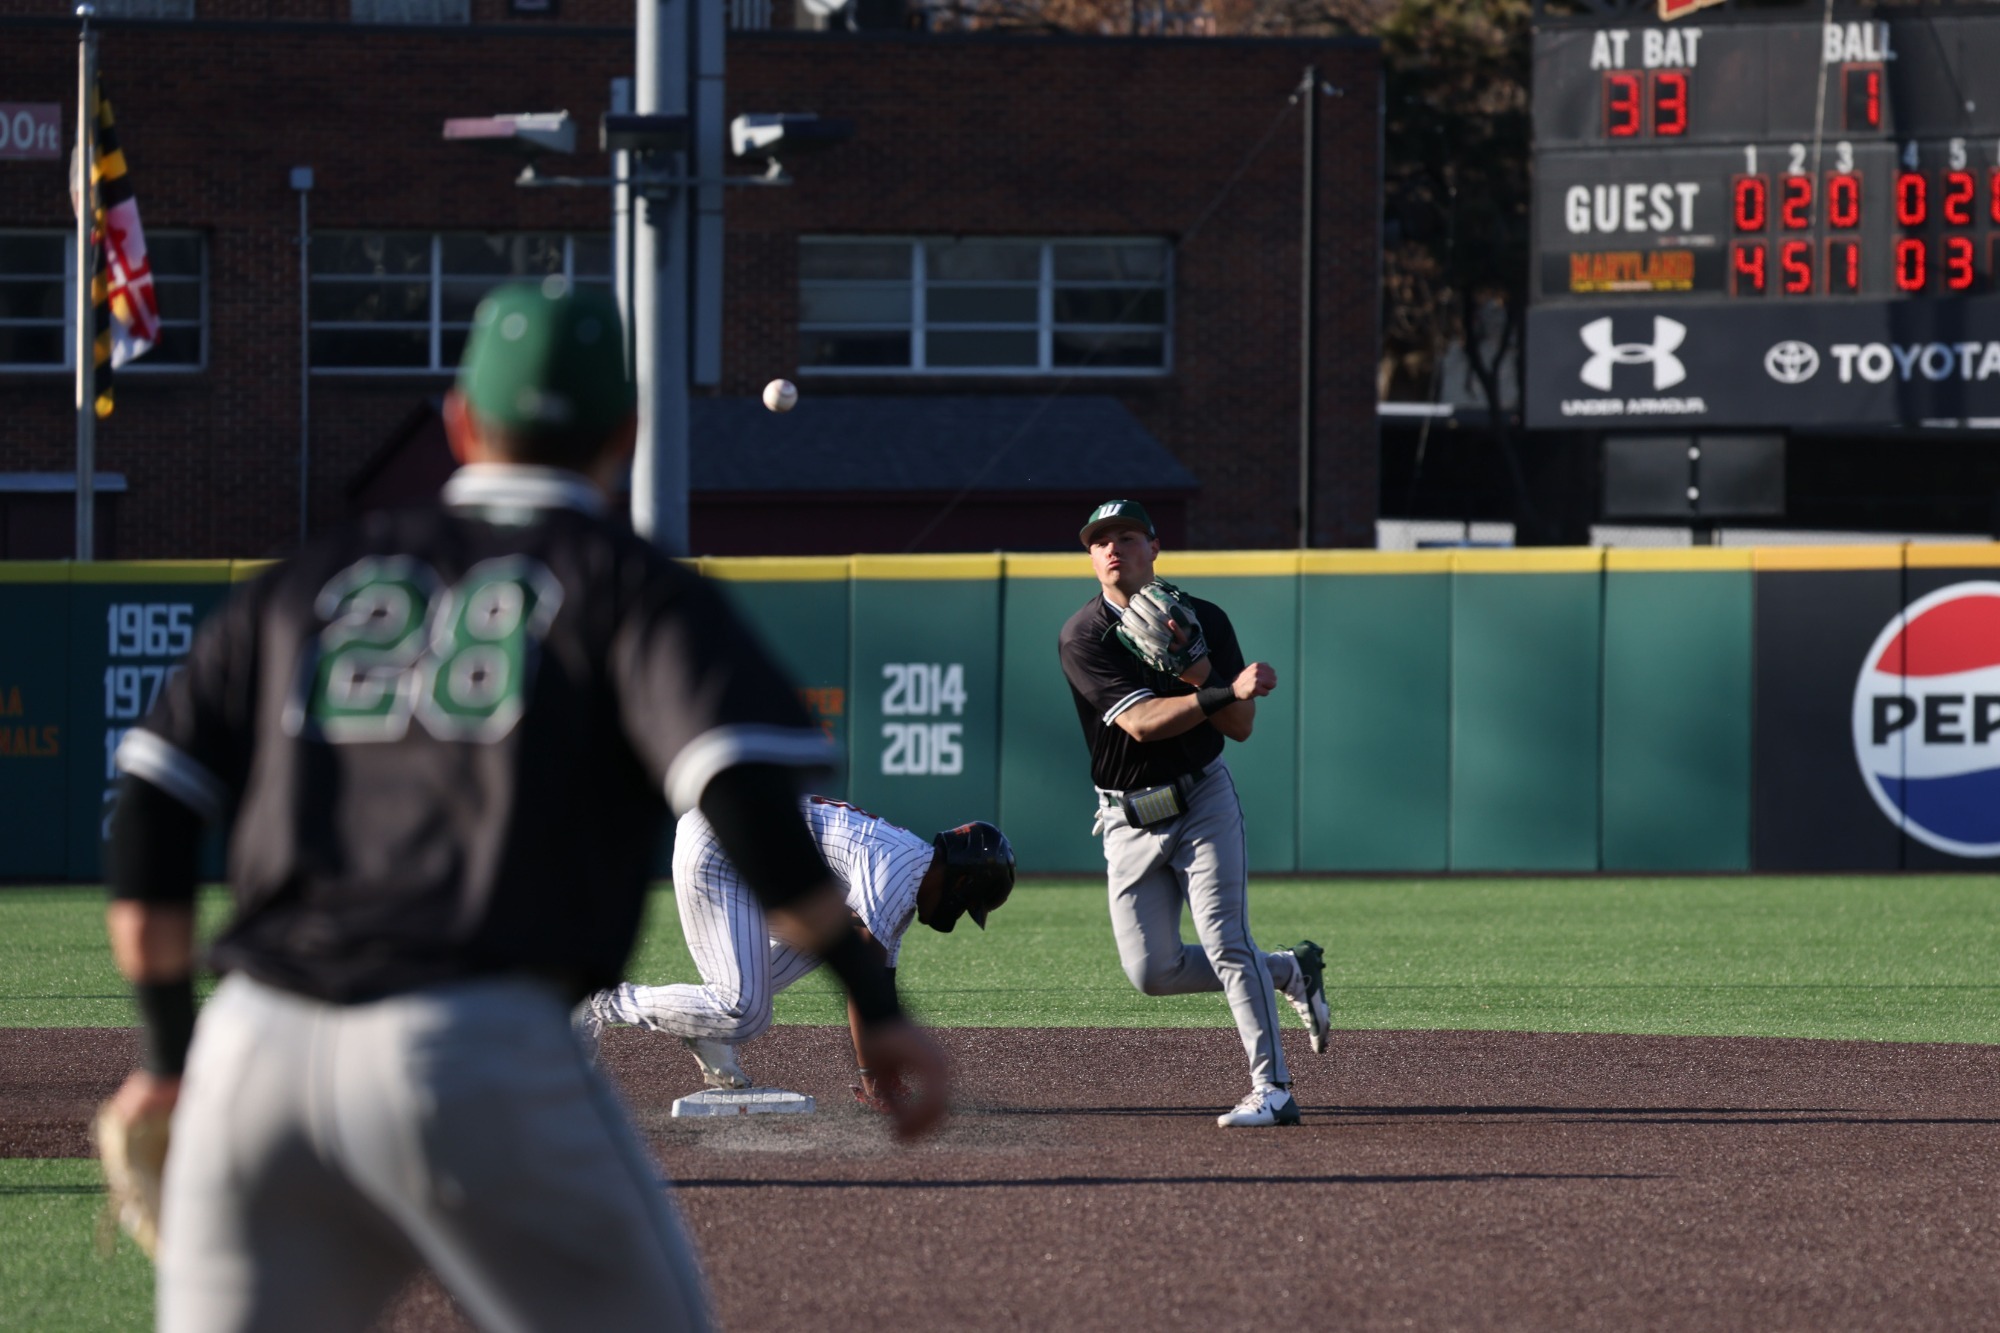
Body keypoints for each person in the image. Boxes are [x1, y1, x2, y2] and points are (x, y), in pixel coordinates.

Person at [96, 279, 947, 1333]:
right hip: (474, 1045)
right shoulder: (628, 585)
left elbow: (148, 809)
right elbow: (743, 801)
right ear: (626, 435)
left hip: (253, 1047)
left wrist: (172, 1053)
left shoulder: (305, 579)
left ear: (457, 421)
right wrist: (876, 995)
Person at [1056, 499, 1330, 1129]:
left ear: (1155, 548)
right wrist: (1214, 689)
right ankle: (1290, 971)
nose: (1112, 547)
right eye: (1100, 540)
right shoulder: (1084, 635)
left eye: (1127, 535)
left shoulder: (1203, 618)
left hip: (1202, 798)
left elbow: (1240, 727)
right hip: (1125, 816)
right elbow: (1141, 724)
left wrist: (1200, 666)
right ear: (1091, 556)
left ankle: (1275, 1089)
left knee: (1226, 942)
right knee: (1153, 971)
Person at [583, 800, 1014, 1103]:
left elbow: (875, 979)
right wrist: (875, 1080)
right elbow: (865, 989)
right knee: (742, 1009)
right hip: (720, 847)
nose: (960, 915)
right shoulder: (900, 871)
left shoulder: (908, 871)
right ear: (963, 884)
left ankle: (705, 1029)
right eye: (970, 903)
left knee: (828, 941)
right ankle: (600, 1000)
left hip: (740, 849)